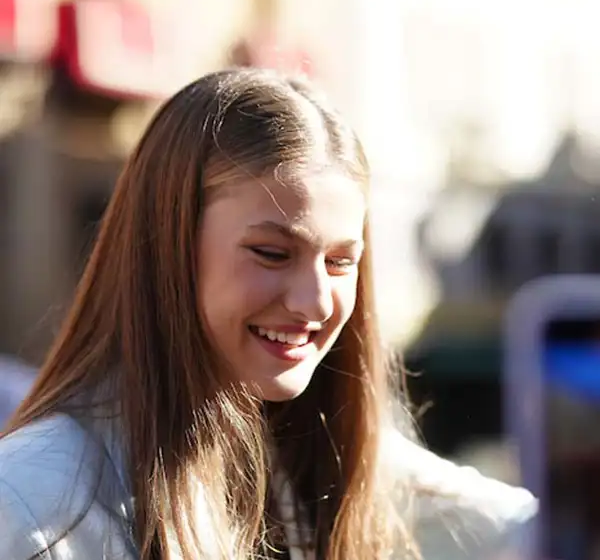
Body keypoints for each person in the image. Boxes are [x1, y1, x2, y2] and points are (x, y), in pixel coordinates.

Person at [0, 69, 536, 560]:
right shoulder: (32, 505)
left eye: (340, 261)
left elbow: (528, 528)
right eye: (272, 254)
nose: (317, 302)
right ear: (167, 245)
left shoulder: (336, 457)